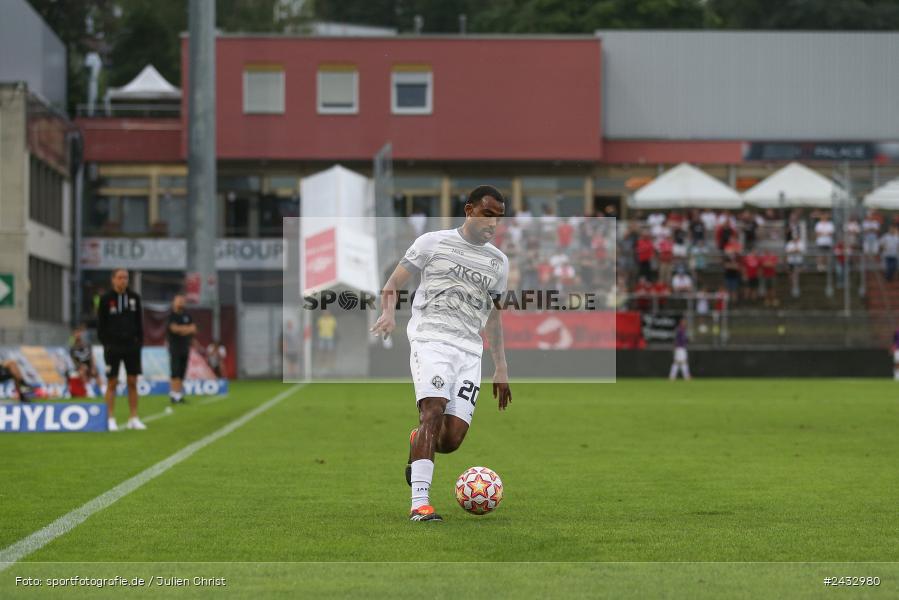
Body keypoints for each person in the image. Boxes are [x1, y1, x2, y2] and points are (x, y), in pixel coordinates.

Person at [371, 185, 512, 522]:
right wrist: (388, 313)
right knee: (432, 411)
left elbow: (494, 316)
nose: (493, 223)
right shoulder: (431, 243)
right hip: (430, 340)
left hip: (469, 351)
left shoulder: (498, 262)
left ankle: (418, 439)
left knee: (450, 440)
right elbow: (392, 284)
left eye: (498, 217)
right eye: (487, 214)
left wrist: (501, 366)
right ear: (469, 210)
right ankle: (420, 504)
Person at [96, 268, 145, 431]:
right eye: (120, 277)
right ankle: (110, 418)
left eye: (126, 277)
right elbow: (100, 324)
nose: (123, 280)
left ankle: (134, 417)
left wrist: (139, 342)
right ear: (113, 279)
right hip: (113, 347)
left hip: (132, 346)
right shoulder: (105, 299)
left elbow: (139, 322)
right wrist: (106, 343)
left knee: (133, 381)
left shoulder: (134, 298)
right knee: (112, 382)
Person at [166, 294, 197, 405]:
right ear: (174, 302)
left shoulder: (187, 315)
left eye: (182, 300)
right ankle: (173, 395)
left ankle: (179, 395)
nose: (181, 302)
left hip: (185, 347)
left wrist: (182, 329)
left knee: (182, 372)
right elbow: (174, 329)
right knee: (175, 372)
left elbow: (193, 329)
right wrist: (186, 329)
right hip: (175, 347)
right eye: (178, 300)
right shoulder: (171, 315)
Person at [69, 323, 97, 395]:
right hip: (80, 367)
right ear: (73, 335)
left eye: (78, 333)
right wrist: (80, 366)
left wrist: (93, 367)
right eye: (76, 333)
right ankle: (88, 390)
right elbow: (74, 361)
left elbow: (92, 356)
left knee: (96, 372)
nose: (77, 335)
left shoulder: (87, 345)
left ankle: (103, 389)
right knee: (82, 371)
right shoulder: (73, 348)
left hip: (89, 365)